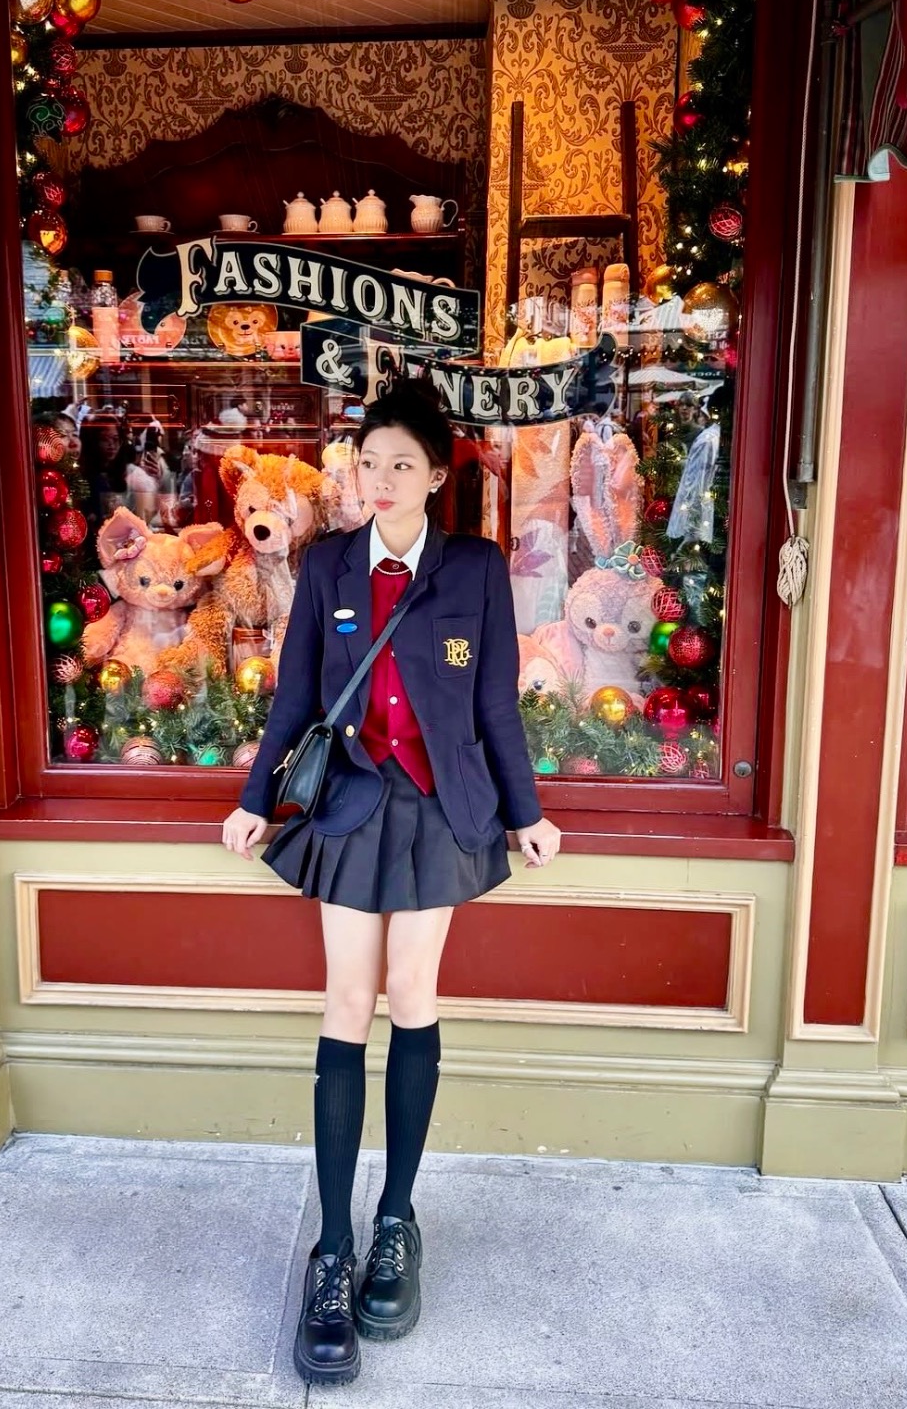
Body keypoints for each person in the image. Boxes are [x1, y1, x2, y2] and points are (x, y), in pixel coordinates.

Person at [221, 377, 562, 1387]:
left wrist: (526, 811)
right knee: (344, 1002)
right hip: (349, 801)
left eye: (400, 465)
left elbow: (494, 704)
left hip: (437, 807)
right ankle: (332, 1250)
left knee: (411, 995)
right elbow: (294, 697)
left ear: (436, 476)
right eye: (368, 464)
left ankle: (396, 1223)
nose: (380, 480)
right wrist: (255, 798)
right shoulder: (327, 562)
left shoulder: (474, 568)